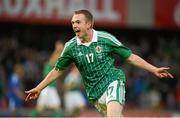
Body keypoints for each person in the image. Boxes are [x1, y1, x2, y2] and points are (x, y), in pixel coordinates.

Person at [25, 9, 174, 117]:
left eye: (78, 22)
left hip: (112, 82)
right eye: (72, 22)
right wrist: (39, 88)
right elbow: (57, 70)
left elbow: (130, 57)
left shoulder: (105, 39)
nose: (74, 25)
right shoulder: (70, 47)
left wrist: (153, 69)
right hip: (95, 94)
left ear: (89, 24)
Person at [30, 40, 64, 117]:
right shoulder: (49, 65)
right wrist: (58, 50)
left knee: (40, 109)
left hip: (47, 89)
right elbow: (54, 59)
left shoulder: (48, 65)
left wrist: (59, 50)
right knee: (57, 108)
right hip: (49, 89)